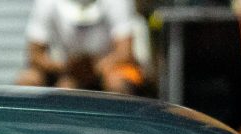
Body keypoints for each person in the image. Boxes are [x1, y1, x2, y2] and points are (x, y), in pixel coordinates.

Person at [16, 0, 151, 94]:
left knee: (116, 83)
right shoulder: (47, 3)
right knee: (29, 80)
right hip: (64, 67)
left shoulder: (118, 3)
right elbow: (35, 54)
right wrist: (64, 68)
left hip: (107, 66)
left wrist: (93, 69)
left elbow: (125, 52)